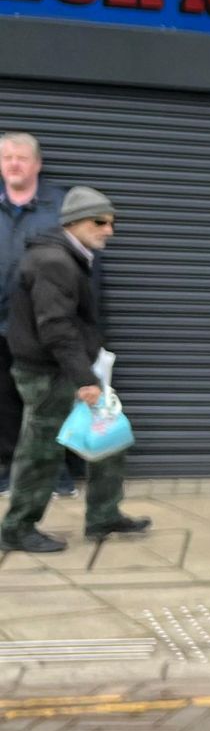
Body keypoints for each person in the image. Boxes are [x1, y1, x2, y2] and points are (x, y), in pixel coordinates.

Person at [0, 187, 150, 554]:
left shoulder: (70, 255)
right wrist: (85, 380)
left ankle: (103, 514)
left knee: (110, 437)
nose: (108, 230)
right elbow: (55, 327)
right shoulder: (54, 261)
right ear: (75, 222)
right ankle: (17, 528)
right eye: (100, 221)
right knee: (41, 452)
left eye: (112, 222)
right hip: (50, 373)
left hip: (72, 366)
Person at [0, 132, 65, 496]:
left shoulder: (59, 205)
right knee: (4, 400)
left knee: (48, 400)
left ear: (37, 164)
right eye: (7, 157)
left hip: (43, 323)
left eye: (22, 157)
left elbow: (84, 260)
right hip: (0, 323)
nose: (14, 164)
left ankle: (56, 474)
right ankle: (13, 470)